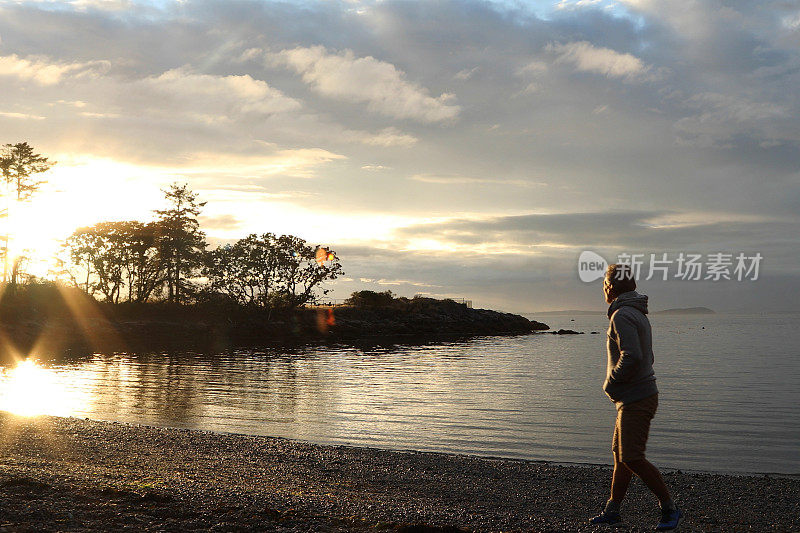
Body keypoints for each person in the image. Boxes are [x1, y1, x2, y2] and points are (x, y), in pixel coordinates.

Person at [589, 263, 684, 530]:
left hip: (637, 398)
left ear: (610, 287)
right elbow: (648, 356)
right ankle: (612, 510)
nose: (603, 290)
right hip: (634, 397)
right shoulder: (638, 313)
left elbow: (634, 356)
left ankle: (670, 509)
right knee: (621, 455)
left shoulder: (622, 315)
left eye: (603, 285)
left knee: (632, 457)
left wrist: (612, 382)